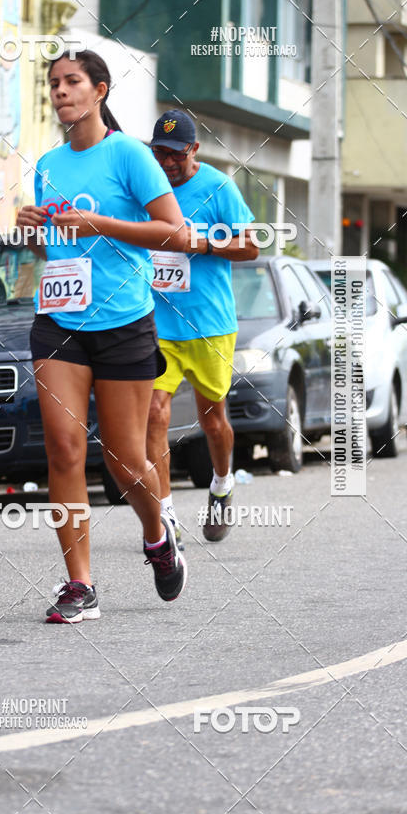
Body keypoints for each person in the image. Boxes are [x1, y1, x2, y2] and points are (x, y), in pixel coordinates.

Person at [16, 51, 188, 624]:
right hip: (59, 319)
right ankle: (79, 584)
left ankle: (157, 533)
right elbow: (56, 250)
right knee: (64, 448)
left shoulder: (130, 155)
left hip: (124, 323)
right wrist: (35, 233)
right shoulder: (47, 163)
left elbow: (175, 234)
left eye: (71, 82)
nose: (61, 92)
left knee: (123, 459)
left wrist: (101, 225)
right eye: (54, 84)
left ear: (98, 90)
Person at [146, 109, 257, 544]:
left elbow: (250, 247)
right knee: (155, 412)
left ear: (193, 149)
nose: (167, 162)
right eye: (160, 153)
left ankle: (222, 483)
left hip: (209, 324)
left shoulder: (218, 187)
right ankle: (165, 513)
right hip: (158, 324)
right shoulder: (147, 187)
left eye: (175, 153)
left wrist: (203, 242)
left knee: (213, 421)